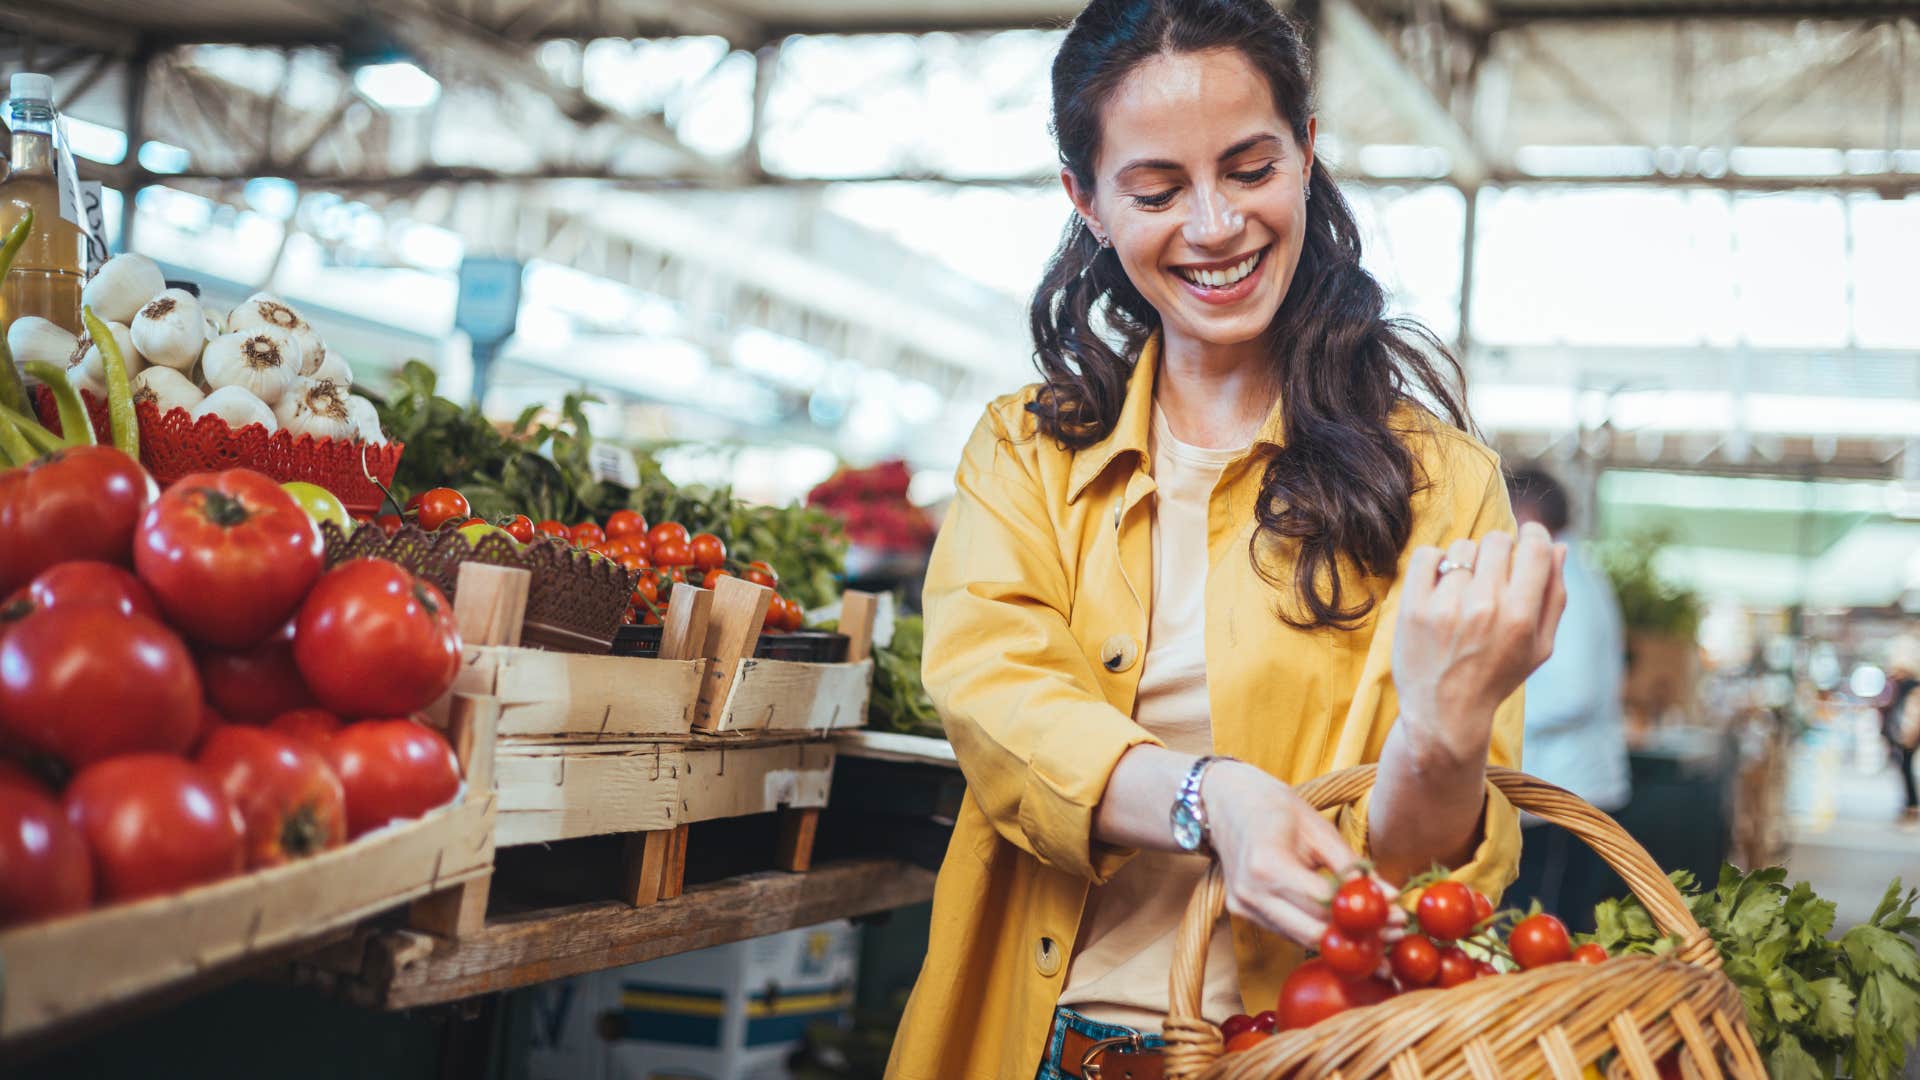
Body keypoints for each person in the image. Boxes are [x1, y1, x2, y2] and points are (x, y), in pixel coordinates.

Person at [885, 2, 1568, 1076]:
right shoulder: (1023, 454)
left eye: (1251, 169)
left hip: (1307, 1049)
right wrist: (1212, 800)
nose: (1213, 226)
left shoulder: (1442, 485)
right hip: (1052, 1049)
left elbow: (1427, 879)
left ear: (1306, 154)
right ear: (1089, 203)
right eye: (1158, 191)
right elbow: (997, 700)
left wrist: (1443, 732)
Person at [1502, 466, 1631, 933]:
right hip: (1564, 786)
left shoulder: (1568, 579)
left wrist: (1489, 709)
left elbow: (1574, 693)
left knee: (1546, 927)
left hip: (1564, 791)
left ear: (1530, 517)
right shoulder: (1575, 571)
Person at [1881, 636, 1919, 825]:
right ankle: (1910, 805)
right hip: (1905, 733)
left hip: (1909, 733)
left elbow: (1912, 712)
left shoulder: (1909, 687)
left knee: (1906, 767)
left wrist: (1909, 732)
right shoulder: (1902, 686)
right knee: (1905, 767)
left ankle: (1912, 805)